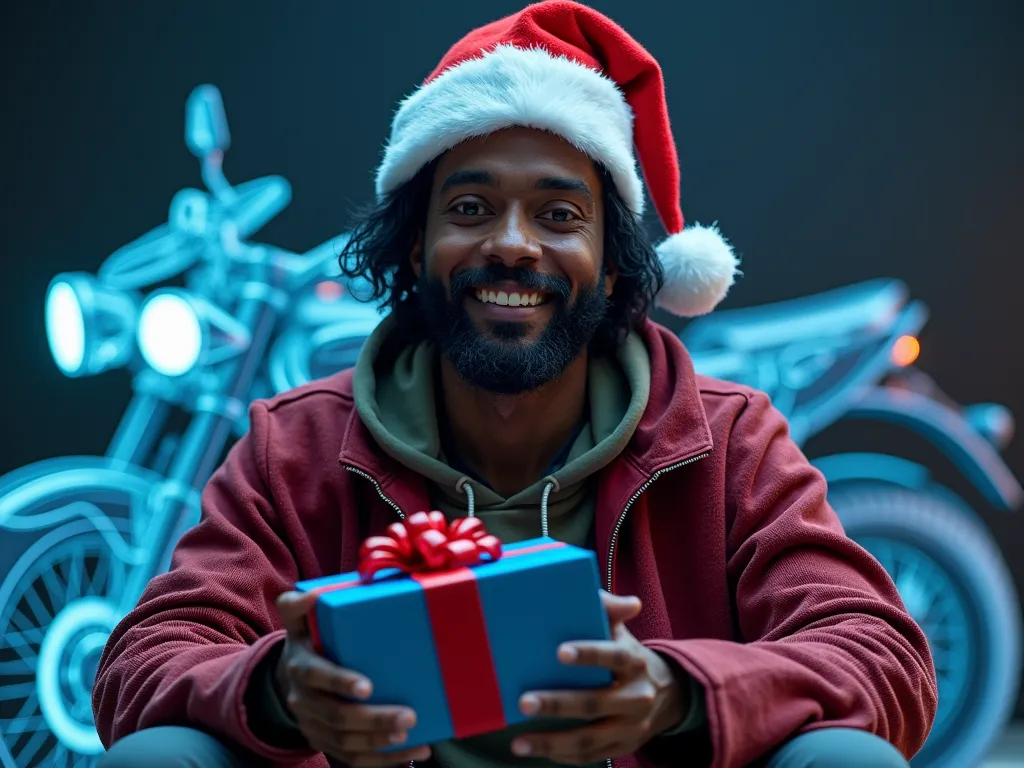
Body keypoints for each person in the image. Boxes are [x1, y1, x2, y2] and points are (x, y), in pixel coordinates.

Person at [93, 2, 937, 767]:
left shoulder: (729, 438)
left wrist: (678, 696)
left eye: (560, 215)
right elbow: (143, 660)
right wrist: (276, 692)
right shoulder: (294, 445)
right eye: (468, 208)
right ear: (413, 247)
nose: (513, 244)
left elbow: (880, 654)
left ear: (613, 268)